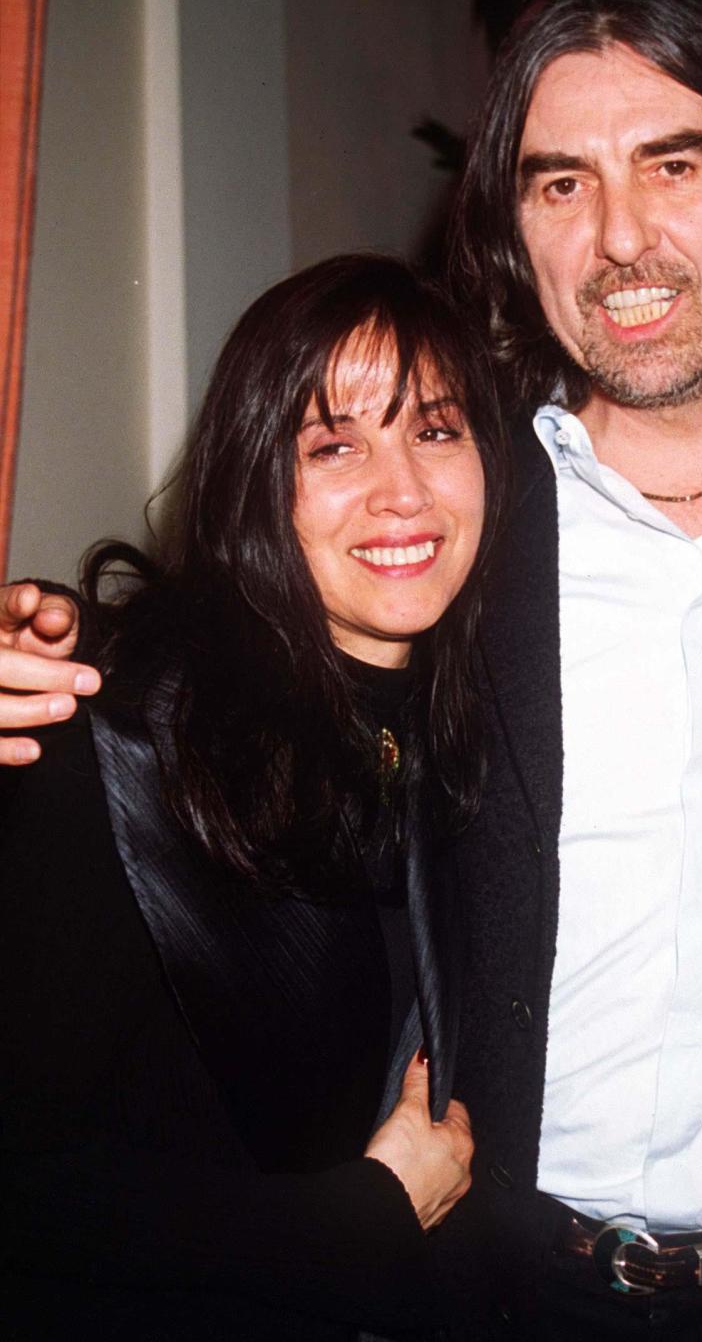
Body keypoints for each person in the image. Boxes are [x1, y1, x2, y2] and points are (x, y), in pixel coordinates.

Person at [5, 0, 702, 1341]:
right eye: (560, 184)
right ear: (517, 233)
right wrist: (53, 645)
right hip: (500, 1293)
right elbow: (243, 640)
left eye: (673, 163)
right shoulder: (454, 528)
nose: (620, 237)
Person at [0, 253, 507, 1339]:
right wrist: (356, 1221)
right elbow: (25, 1179)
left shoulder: (454, 723)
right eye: (333, 445)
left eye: (435, 429)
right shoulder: (114, 735)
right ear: (250, 482)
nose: (403, 491)